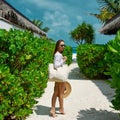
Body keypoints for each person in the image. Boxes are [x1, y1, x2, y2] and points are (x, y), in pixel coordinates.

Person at [50, 40, 67, 117]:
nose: (63, 47)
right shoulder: (58, 55)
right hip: (60, 76)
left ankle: (54, 109)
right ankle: (60, 109)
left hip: (58, 76)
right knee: (60, 93)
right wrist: (63, 60)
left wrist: (62, 59)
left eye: (64, 45)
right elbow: (56, 65)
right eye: (61, 45)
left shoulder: (57, 54)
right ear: (57, 46)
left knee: (56, 92)